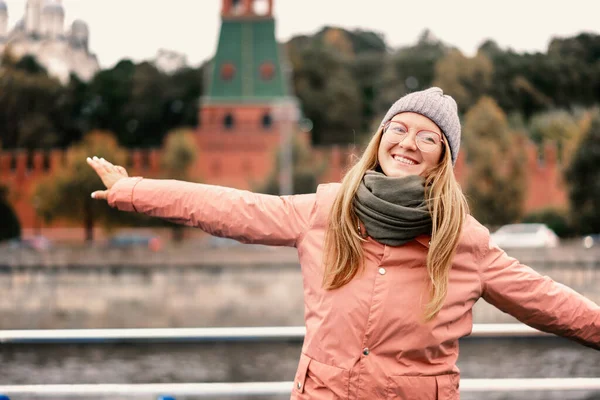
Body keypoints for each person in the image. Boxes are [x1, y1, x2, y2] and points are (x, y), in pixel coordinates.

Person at [87, 87, 599, 400]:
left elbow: (547, 301)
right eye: (399, 128)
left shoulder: (463, 243)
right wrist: (136, 190)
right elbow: (231, 208)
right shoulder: (324, 213)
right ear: (380, 140)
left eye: (428, 137)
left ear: (444, 158)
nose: (408, 142)